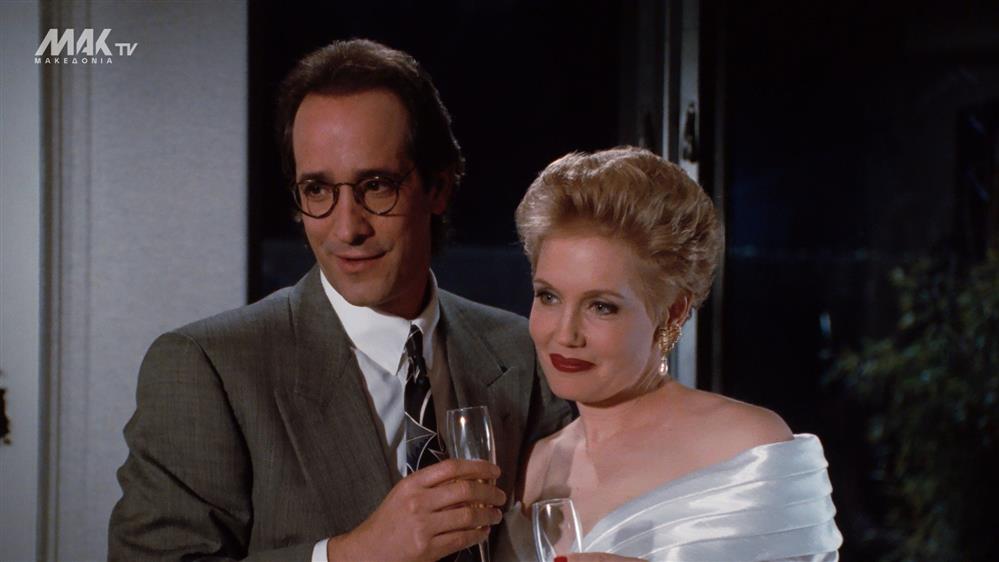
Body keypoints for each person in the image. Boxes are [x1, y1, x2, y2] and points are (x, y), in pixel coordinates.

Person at [108, 39, 572, 562]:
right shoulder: (208, 368)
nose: (347, 228)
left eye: (376, 186)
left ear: (439, 187)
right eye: (318, 191)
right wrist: (353, 554)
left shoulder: (524, 353)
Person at [496, 147, 842, 561]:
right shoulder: (535, 467)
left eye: (601, 306)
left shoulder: (746, 448)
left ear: (673, 312)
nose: (565, 333)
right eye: (548, 297)